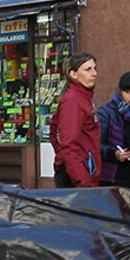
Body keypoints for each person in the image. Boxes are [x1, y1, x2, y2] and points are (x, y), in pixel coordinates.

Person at [48, 52, 101, 187]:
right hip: (76, 176)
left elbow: (54, 128)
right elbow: (69, 144)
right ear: (74, 74)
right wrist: (82, 181)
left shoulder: (83, 98)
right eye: (88, 69)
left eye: (95, 68)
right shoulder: (73, 100)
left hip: (82, 171)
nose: (94, 73)